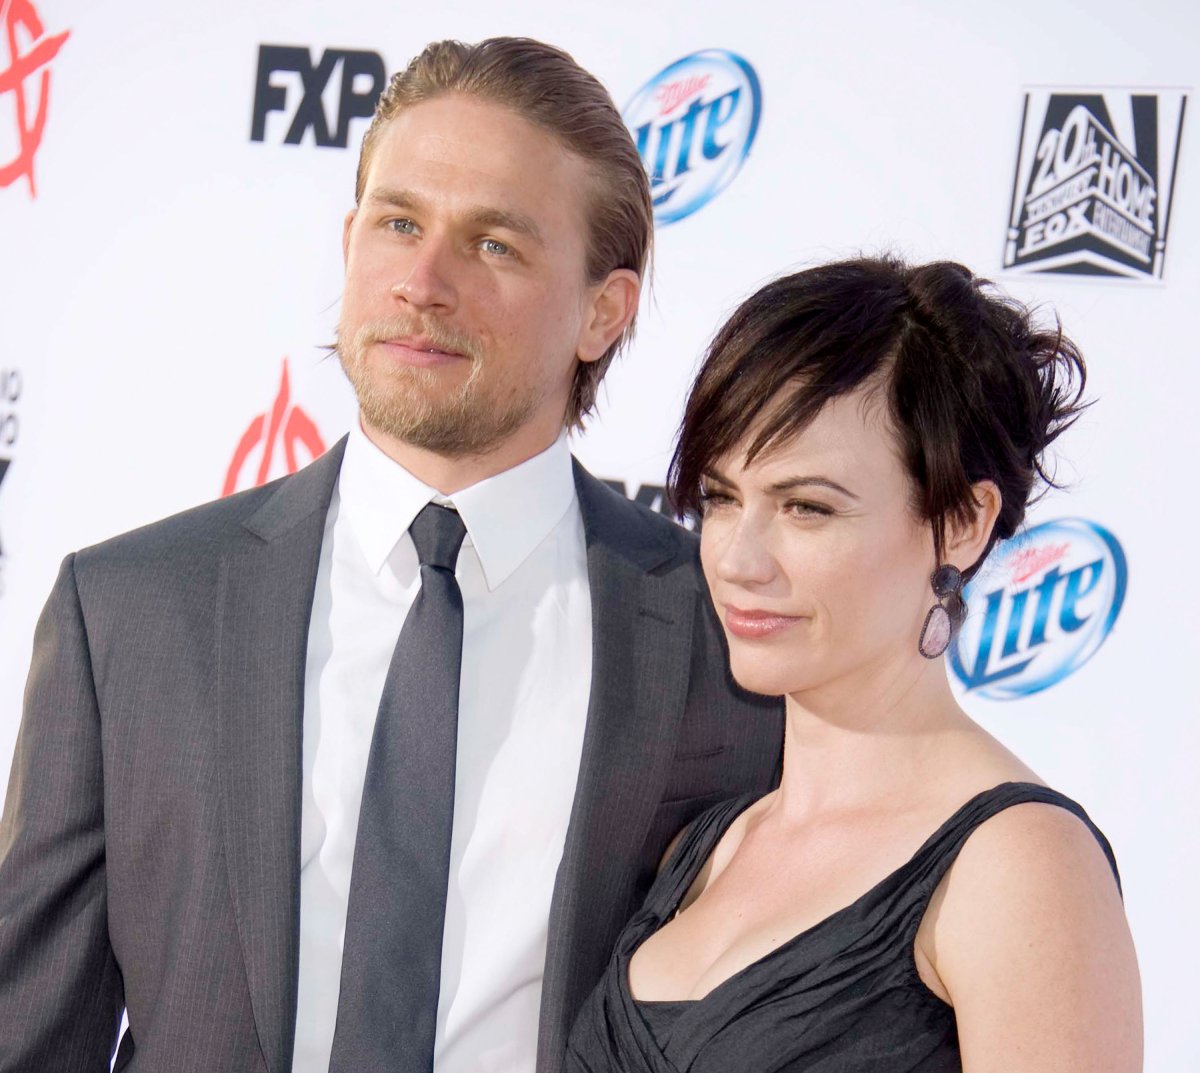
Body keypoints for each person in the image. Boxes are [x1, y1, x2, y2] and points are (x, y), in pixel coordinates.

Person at [0, 38, 782, 1073]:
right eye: (399, 223)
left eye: (495, 244)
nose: (423, 281)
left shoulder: (726, 633)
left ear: (605, 309)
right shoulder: (132, 612)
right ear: (349, 241)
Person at [565, 256, 1142, 1072]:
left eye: (807, 507)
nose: (737, 558)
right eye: (724, 498)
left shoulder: (1021, 867)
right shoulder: (710, 844)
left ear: (961, 523)